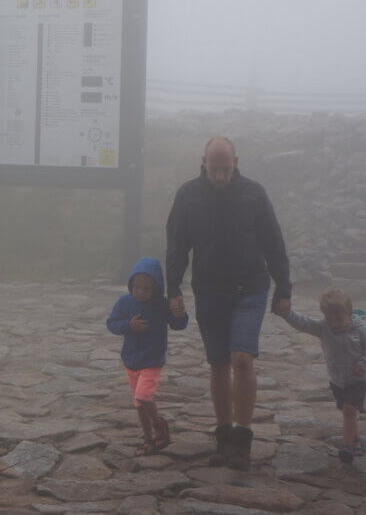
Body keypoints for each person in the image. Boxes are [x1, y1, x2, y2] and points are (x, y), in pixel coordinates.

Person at [165, 136, 292, 470]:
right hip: (209, 291)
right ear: (203, 161)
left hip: (249, 287)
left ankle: (243, 437)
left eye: (225, 168)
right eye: (213, 168)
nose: (219, 175)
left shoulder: (254, 193)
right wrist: (173, 287)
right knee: (218, 363)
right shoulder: (188, 195)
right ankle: (224, 436)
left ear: (235, 161)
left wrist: (284, 288)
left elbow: (273, 242)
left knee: (241, 358)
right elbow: (177, 244)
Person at [278, 289, 366, 463]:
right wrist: (287, 314)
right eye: (330, 320)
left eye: (339, 319)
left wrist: (364, 363)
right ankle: (356, 443)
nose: (335, 324)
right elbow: (303, 323)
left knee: (349, 411)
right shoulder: (323, 328)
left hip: (358, 380)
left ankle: (346, 447)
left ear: (349, 313)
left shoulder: (361, 329)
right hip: (337, 380)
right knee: (348, 412)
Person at [106, 257, 189, 456]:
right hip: (131, 360)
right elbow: (111, 324)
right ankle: (148, 439)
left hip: (152, 359)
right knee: (139, 404)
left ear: (156, 288)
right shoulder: (125, 302)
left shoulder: (161, 305)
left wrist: (179, 314)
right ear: (131, 285)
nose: (140, 292)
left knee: (143, 396)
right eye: (137, 287)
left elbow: (178, 325)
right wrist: (128, 325)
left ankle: (159, 425)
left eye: (146, 289)